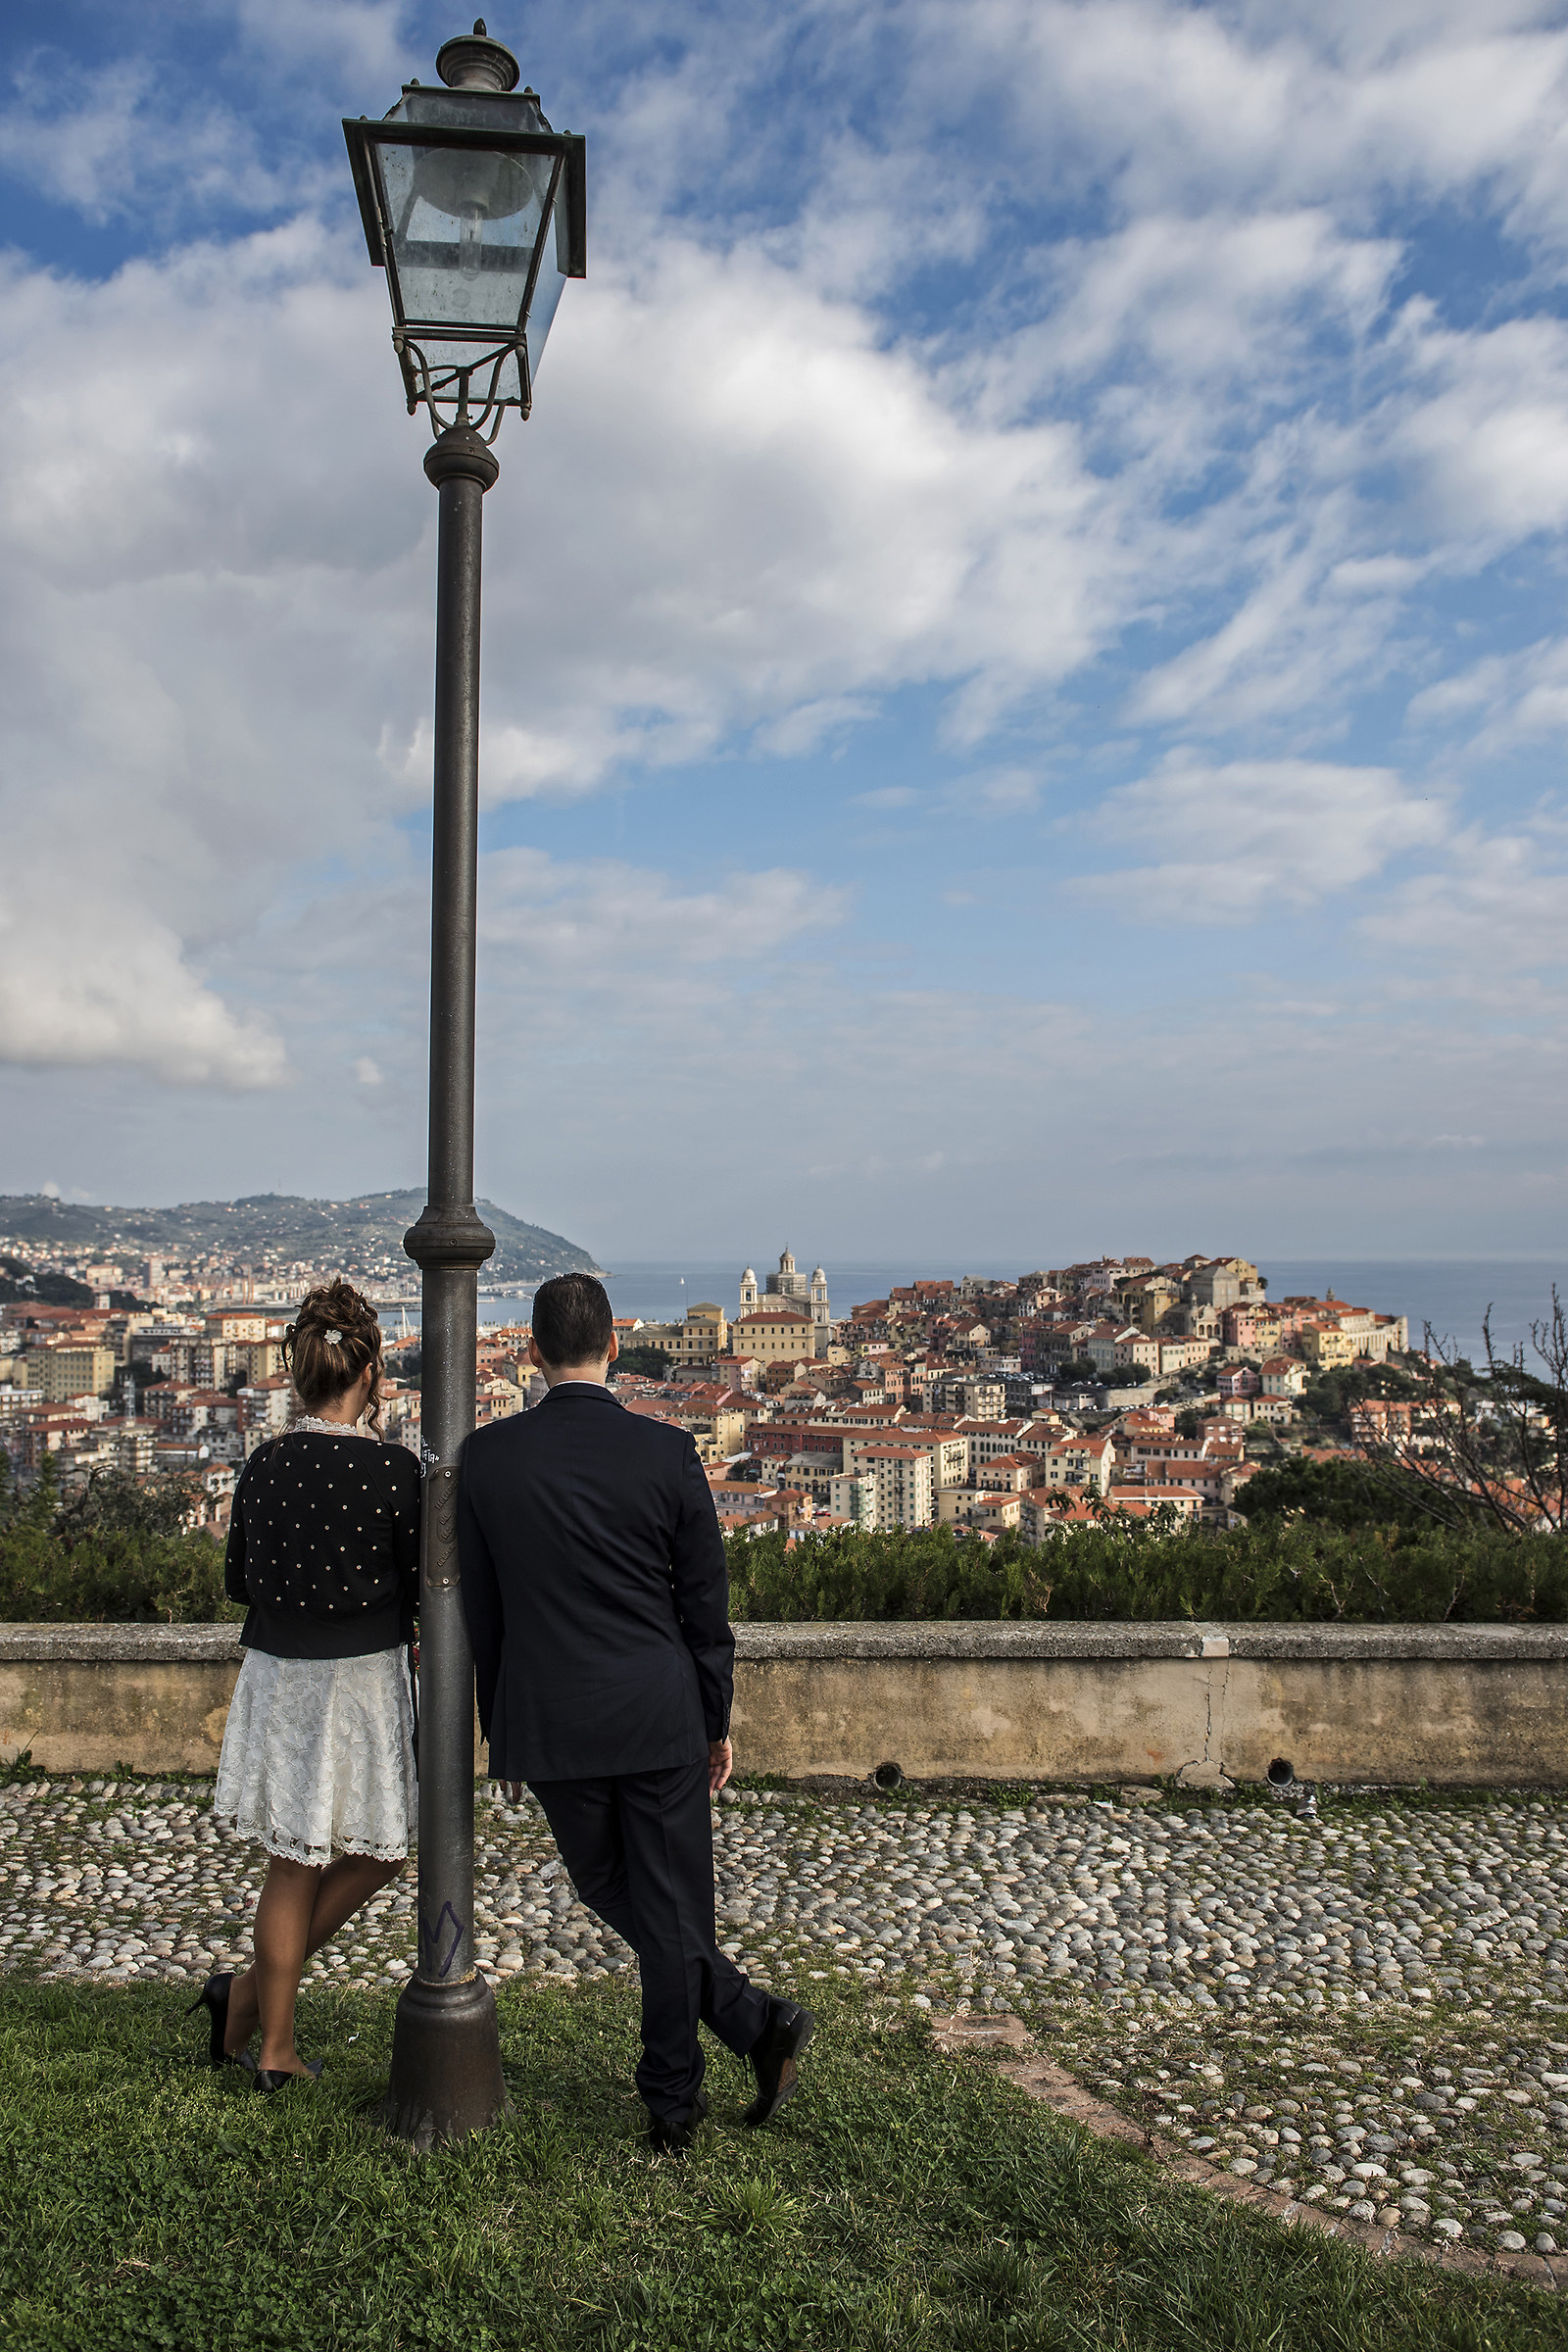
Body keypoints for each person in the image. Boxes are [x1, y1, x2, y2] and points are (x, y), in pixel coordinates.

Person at [459, 1271, 811, 2154]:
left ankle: (705, 2070)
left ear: (532, 1353)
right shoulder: (666, 1455)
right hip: (657, 1712)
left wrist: (498, 1722)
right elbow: (704, 1604)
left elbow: (484, 1611)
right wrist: (713, 1716)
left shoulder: (491, 1460)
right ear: (615, 1347)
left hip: (549, 1715)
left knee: (617, 1891)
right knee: (665, 1903)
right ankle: (718, 2055)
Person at [189, 1279, 421, 2092]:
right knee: (379, 1849)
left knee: (293, 1864)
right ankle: (269, 2039)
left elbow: (240, 1579)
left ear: (301, 1375)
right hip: (358, 1680)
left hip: (280, 1675)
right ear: (369, 1376)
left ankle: (253, 2007)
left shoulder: (264, 1466)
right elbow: (422, 1583)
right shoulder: (396, 1473)